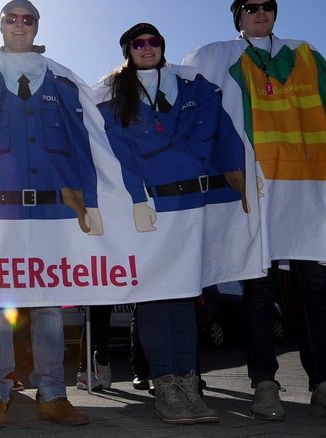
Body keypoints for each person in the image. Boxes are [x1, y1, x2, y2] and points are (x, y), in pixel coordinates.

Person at [183, 0, 326, 422]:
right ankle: (264, 384)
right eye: (250, 7)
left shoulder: (305, 53)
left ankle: (324, 385)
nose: (260, 12)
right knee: (260, 295)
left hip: (309, 192)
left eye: (267, 6)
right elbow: (183, 92)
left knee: (315, 292)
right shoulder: (219, 55)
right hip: (259, 191)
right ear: (238, 18)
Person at [96, 22, 244, 425]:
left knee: (184, 299)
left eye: (154, 41)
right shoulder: (113, 96)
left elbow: (223, 134)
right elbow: (117, 154)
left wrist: (240, 177)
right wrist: (136, 199)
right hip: (155, 208)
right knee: (156, 298)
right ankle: (165, 386)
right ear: (128, 50)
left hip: (196, 205)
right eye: (138, 43)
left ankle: (187, 383)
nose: (148, 47)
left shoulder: (193, 86)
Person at [0, 1, 95, 428]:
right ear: (0, 25)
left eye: (28, 18)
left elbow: (83, 143)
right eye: (11, 18)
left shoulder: (62, 80)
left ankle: (53, 394)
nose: (19, 24)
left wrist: (90, 204)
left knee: (49, 305)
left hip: (53, 211)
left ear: (37, 26)